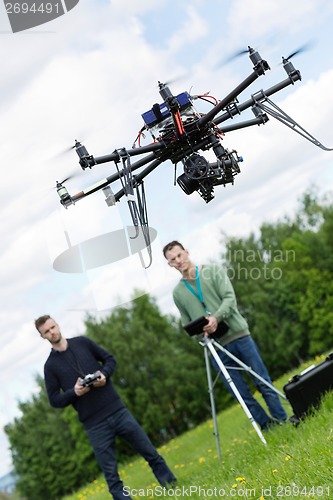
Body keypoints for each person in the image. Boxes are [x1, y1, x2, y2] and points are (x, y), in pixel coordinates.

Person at [35, 315, 176, 499]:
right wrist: (74, 392)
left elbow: (110, 360)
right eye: (47, 331)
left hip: (117, 410)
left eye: (53, 327)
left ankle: (173, 488)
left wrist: (104, 375)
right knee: (112, 476)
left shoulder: (82, 342)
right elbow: (54, 400)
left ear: (57, 324)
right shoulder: (50, 366)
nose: (52, 332)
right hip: (94, 425)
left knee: (150, 453)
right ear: (43, 336)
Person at [163, 241, 287, 431]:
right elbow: (186, 324)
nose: (178, 261)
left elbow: (230, 298)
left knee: (262, 381)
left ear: (187, 252)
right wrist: (200, 332)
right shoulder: (178, 293)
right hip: (216, 347)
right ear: (170, 265)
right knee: (240, 393)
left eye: (179, 255)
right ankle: (268, 427)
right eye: (172, 260)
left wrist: (216, 318)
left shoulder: (213, 271)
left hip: (238, 335)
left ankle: (283, 421)